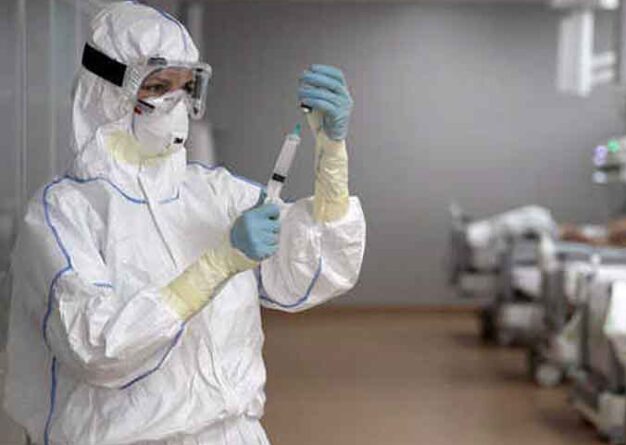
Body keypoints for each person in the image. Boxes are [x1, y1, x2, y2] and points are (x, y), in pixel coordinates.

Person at [3, 3, 365, 444]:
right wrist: (219, 264)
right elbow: (96, 348)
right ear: (108, 92)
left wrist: (331, 154)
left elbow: (314, 268)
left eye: (185, 86)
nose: (175, 103)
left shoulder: (213, 193)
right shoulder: (64, 212)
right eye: (158, 87)